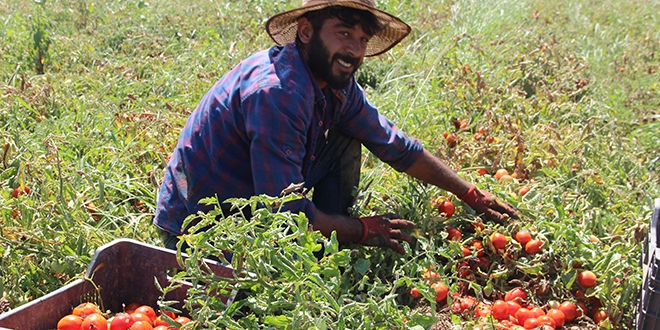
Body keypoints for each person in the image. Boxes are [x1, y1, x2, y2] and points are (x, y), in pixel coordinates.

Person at [153, 0, 519, 256]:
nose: (355, 50)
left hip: (255, 195)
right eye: (343, 33)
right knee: (262, 279)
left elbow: (395, 145)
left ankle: (326, 240)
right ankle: (324, 241)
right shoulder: (279, 94)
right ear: (307, 31)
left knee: (349, 137)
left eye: (361, 40)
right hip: (200, 226)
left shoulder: (334, 83)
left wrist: (470, 193)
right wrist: (363, 229)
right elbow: (282, 210)